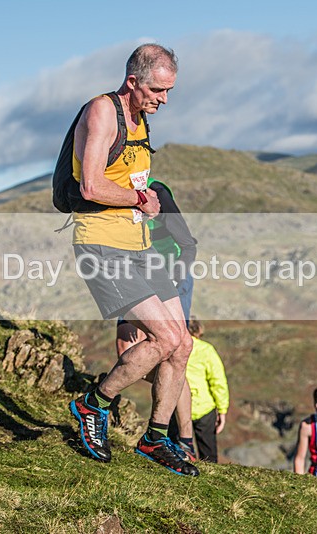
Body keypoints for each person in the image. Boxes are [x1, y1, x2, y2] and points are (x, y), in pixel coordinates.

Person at [66, 44, 199, 476]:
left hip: (140, 247)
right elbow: (89, 186)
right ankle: (93, 403)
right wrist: (142, 199)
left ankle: (155, 439)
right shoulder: (103, 111)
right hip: (102, 245)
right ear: (133, 82)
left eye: (169, 91)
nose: (164, 99)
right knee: (161, 338)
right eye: (158, 90)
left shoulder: (141, 118)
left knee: (182, 344)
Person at [116, 176, 199, 461]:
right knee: (127, 350)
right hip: (136, 278)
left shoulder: (158, 191)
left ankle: (184, 438)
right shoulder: (111, 193)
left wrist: (173, 283)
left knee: (174, 351)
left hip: (173, 278)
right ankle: (159, 428)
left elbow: (188, 245)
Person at [177, 317, 229, 463]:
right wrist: (222, 410)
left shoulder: (176, 346)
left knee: (176, 448)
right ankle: (211, 478)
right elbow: (218, 382)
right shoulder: (207, 350)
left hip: (177, 405)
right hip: (204, 408)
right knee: (208, 454)